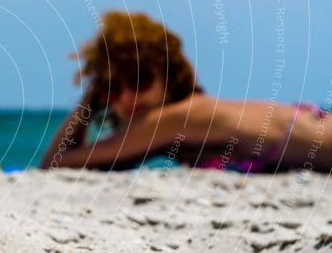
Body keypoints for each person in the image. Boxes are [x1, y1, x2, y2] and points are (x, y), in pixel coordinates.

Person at [40, 11, 331, 172]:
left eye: (139, 81)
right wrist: (94, 95)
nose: (128, 96)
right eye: (113, 89)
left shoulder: (172, 119)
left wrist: (86, 104)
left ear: (169, 78)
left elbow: (56, 162)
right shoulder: (180, 125)